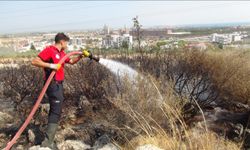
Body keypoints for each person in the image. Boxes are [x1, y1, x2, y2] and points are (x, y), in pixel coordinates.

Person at [31, 32, 82, 149]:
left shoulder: (61, 53)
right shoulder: (50, 50)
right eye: (67, 43)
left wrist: (81, 56)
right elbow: (34, 61)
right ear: (62, 42)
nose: (67, 45)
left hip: (59, 85)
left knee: (56, 110)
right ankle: (48, 143)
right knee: (56, 111)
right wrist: (51, 66)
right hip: (52, 85)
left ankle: (49, 140)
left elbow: (72, 61)